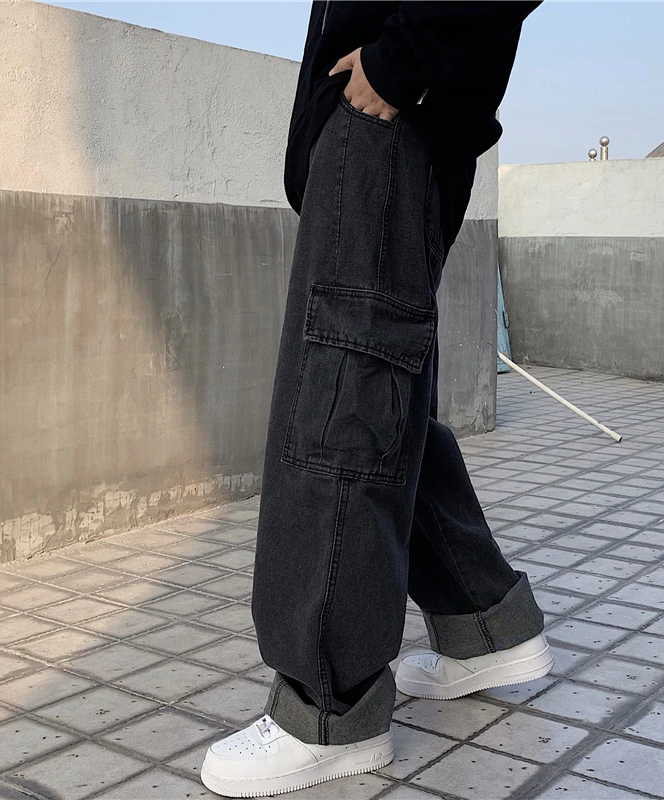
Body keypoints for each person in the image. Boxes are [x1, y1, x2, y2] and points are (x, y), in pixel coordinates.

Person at [200, 2, 548, 796]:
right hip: (386, 128)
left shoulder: (396, 84)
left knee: (342, 407)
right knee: (381, 404)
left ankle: (329, 713)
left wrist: (399, 61)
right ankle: (484, 622)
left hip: (390, 120)